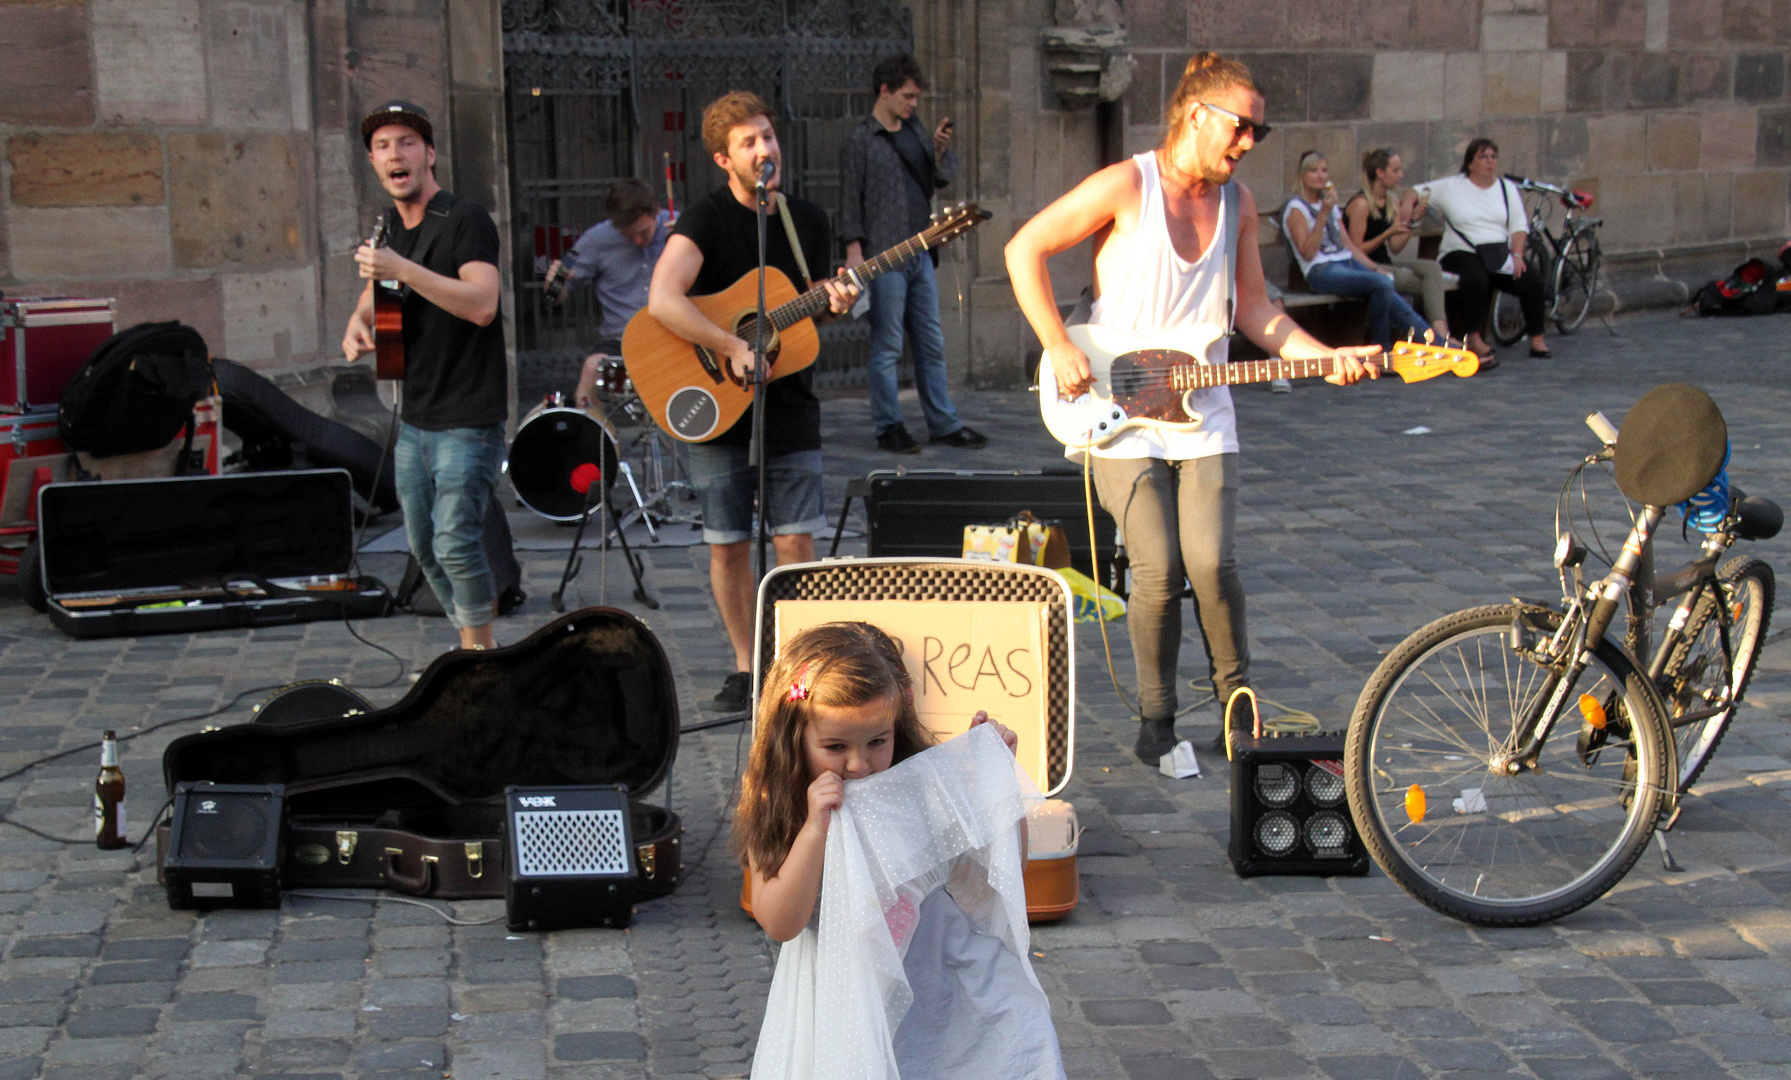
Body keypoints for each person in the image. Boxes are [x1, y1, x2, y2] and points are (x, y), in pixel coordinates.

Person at [1005, 54, 1379, 764]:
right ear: (1196, 115)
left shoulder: (1237, 205)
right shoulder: (1126, 184)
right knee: (1156, 563)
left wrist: (1324, 356)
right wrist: (1056, 344)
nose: (1247, 145)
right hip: (1115, 400)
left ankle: (1238, 712)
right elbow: (1024, 249)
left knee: (1209, 561)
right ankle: (1156, 719)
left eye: (1257, 135)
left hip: (1201, 403)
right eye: (1242, 128)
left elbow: (1260, 311)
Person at [738, 621, 1064, 1080]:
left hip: (939, 987)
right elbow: (780, 921)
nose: (859, 764)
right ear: (793, 737)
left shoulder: (913, 784)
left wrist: (990, 783)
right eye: (834, 747)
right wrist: (815, 828)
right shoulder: (781, 803)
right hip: (843, 1000)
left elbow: (991, 871)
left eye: (878, 741)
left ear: (898, 725)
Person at [646, 91, 859, 711]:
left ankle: (796, 662)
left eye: (768, 136)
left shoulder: (807, 220)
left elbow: (800, 311)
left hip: (790, 401)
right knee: (728, 541)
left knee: (795, 540)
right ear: (723, 158)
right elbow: (664, 297)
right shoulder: (706, 219)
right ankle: (747, 665)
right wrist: (725, 344)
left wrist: (833, 299)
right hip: (717, 400)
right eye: (749, 142)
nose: (765, 149)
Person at [341, 100, 506, 651]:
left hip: (466, 416)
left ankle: (480, 655)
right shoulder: (389, 229)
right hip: (413, 416)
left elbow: (483, 303)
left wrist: (402, 269)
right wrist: (357, 326)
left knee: (457, 543)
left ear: (429, 154)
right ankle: (468, 644)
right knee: (426, 549)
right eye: (383, 146)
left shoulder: (464, 220)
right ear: (373, 163)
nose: (395, 154)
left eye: (406, 142)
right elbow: (377, 294)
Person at [840, 56, 987, 454]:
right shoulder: (861, 140)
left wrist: (940, 151)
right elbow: (849, 199)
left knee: (931, 342)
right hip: (884, 256)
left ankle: (943, 422)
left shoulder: (916, 132)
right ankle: (889, 425)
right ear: (884, 92)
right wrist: (853, 251)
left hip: (921, 251)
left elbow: (941, 178)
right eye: (907, 96)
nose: (913, 104)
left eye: (916, 97)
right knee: (887, 345)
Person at [1282, 150, 1431, 354]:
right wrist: (1323, 214)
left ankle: (1439, 343)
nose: (1320, 175)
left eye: (1324, 170)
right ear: (1302, 175)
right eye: (1313, 171)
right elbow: (1308, 252)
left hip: (1347, 263)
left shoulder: (1329, 205)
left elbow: (1349, 246)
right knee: (1381, 285)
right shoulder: (1296, 208)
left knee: (1386, 283)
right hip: (1321, 270)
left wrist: (1374, 267)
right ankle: (1383, 350)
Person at [1413, 138, 1549, 360]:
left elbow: (1518, 226)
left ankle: (1537, 338)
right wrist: (1409, 208)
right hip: (1460, 251)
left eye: (1493, 157)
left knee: (1530, 278)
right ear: (1470, 163)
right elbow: (1415, 191)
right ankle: (1473, 336)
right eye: (1483, 157)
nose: (1490, 162)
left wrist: (1516, 254)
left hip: (1496, 253)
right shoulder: (1452, 186)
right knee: (1475, 277)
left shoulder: (1507, 188)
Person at [545, 179, 674, 407]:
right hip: (622, 340)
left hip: (675, 335)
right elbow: (561, 295)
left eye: (643, 232)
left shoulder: (679, 228)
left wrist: (687, 244)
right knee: (593, 368)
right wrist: (554, 285)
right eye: (628, 234)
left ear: (656, 213)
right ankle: (591, 437)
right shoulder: (598, 239)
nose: (637, 240)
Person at [1344, 147, 1450, 343]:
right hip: (1366, 267)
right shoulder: (1361, 204)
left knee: (1431, 268)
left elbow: (1395, 246)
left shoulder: (1391, 200)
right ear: (1380, 173)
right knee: (1428, 286)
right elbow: (1355, 250)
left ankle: (1439, 331)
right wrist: (1386, 233)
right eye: (1396, 170)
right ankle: (1436, 339)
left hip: (1387, 262)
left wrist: (1413, 221)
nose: (1401, 176)